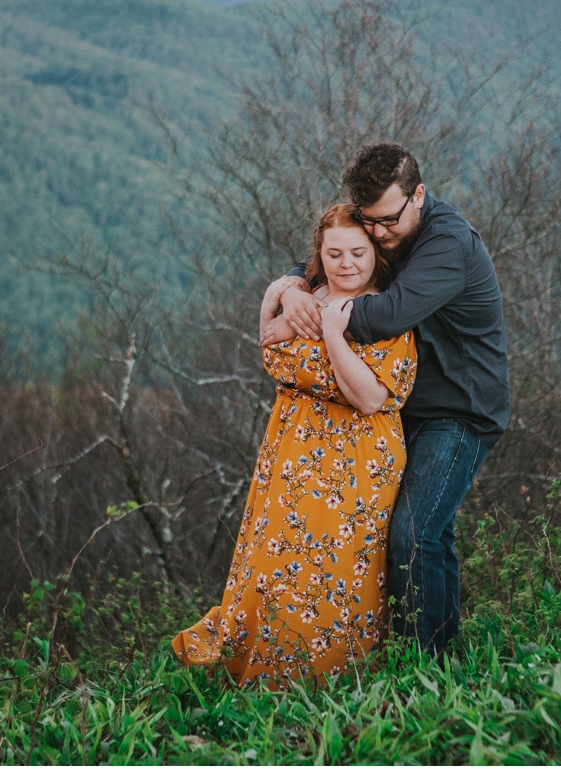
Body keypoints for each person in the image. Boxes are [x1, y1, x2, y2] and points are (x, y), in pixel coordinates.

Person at [267, 143, 509, 658]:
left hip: (460, 411)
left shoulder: (449, 245)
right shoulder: (383, 218)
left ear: (419, 195)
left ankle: (427, 665)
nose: (377, 233)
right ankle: (431, 656)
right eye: (369, 220)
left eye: (386, 221)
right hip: (404, 410)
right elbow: (336, 247)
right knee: (409, 536)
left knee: (415, 534)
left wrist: (306, 314)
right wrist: (293, 282)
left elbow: (384, 316)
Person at [171, 204, 417, 685]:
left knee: (341, 568)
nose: (347, 263)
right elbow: (269, 339)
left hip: (357, 459)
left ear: (376, 254)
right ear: (319, 255)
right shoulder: (307, 295)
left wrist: (332, 335)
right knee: (278, 564)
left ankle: (334, 674)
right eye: (334, 253)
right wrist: (284, 292)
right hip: (291, 449)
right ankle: (271, 666)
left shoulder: (389, 308)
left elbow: (368, 397)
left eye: (358, 252)